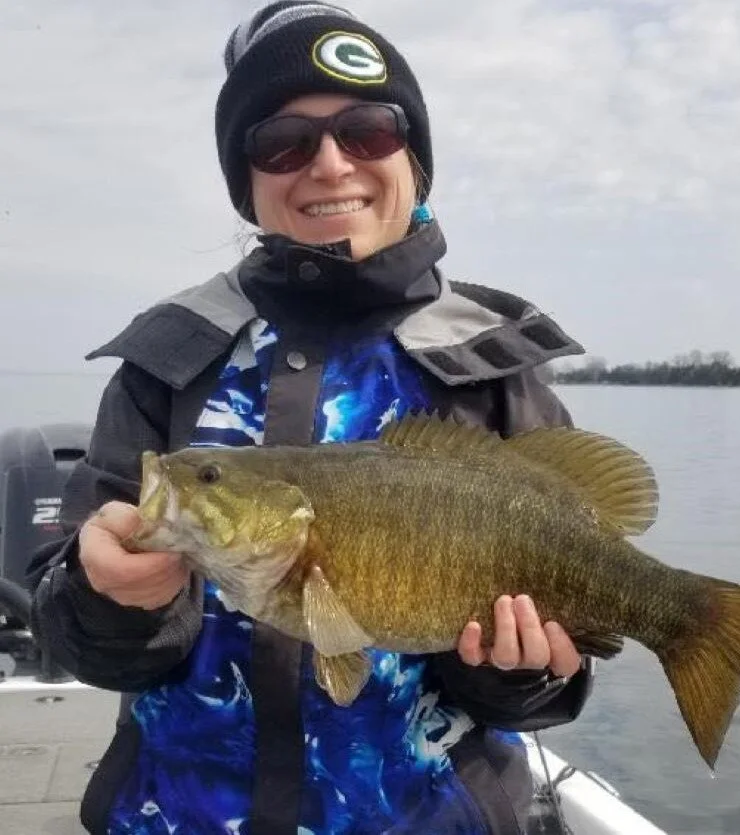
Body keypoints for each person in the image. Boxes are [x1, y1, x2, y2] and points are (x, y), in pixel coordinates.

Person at [28, 3, 595, 833]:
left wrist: (519, 671)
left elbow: (541, 683)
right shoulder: (172, 357)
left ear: (415, 159)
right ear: (246, 178)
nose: (330, 165)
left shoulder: (492, 365)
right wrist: (111, 598)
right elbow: (76, 637)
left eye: (368, 130)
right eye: (282, 142)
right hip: (179, 812)